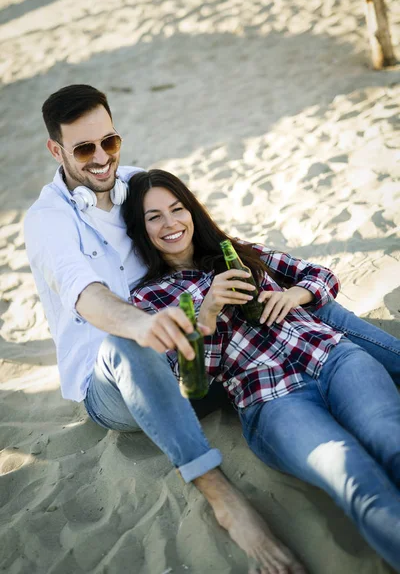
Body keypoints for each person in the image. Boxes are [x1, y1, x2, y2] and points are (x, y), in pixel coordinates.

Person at [24, 84, 399, 573]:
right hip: (135, 372)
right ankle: (224, 499)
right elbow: (90, 297)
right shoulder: (51, 223)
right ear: (57, 150)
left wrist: (291, 294)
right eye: (84, 148)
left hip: (313, 356)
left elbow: (305, 272)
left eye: (109, 142)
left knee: (371, 407)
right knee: (353, 472)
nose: (101, 158)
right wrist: (180, 319)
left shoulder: (140, 188)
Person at [123, 168, 400, 572]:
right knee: (351, 473)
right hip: (272, 398)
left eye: (177, 209)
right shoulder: (150, 297)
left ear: (191, 211)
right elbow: (189, 381)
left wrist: (294, 294)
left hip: (332, 357)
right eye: (154, 217)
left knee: (389, 438)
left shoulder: (235, 250)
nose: (171, 224)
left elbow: (320, 276)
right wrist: (208, 313)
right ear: (141, 228)